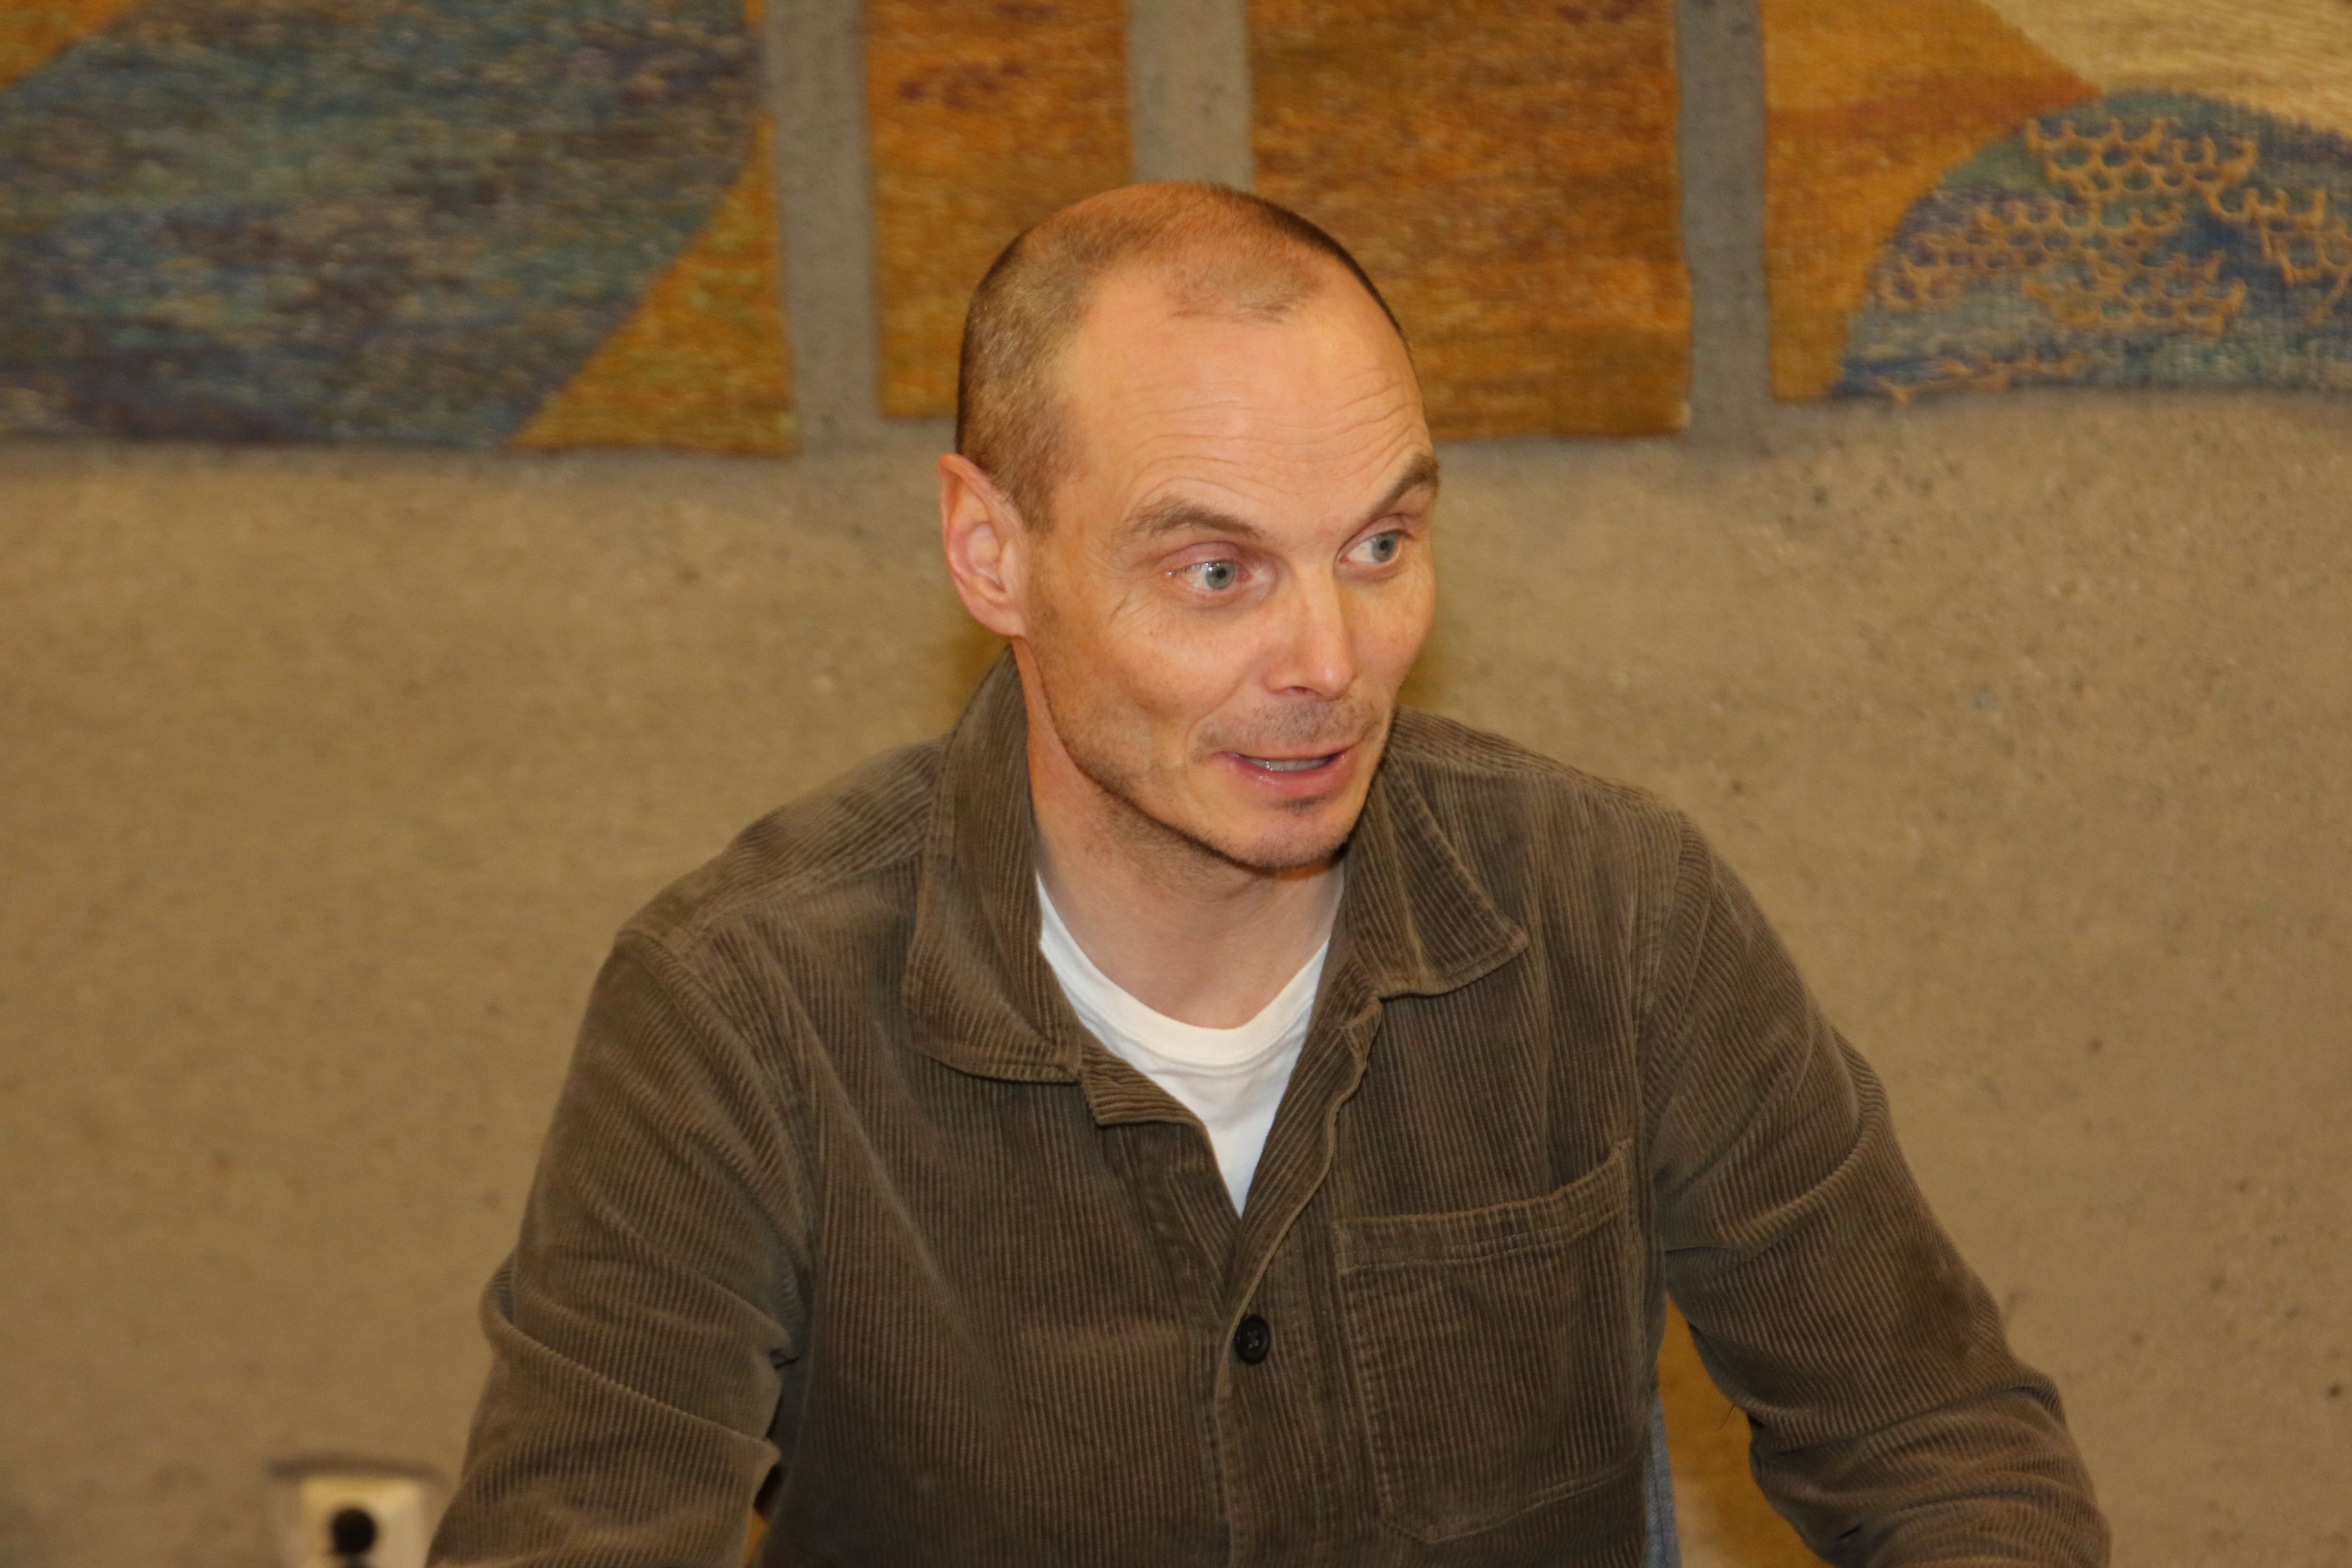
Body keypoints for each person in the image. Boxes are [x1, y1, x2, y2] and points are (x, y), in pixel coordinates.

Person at [429, 182, 2106, 1567]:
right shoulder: (743, 1011)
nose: (1331, 661)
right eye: (1217, 571)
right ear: (991, 553)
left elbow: (1942, 1448)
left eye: (1380, 546)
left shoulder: (1616, 913)